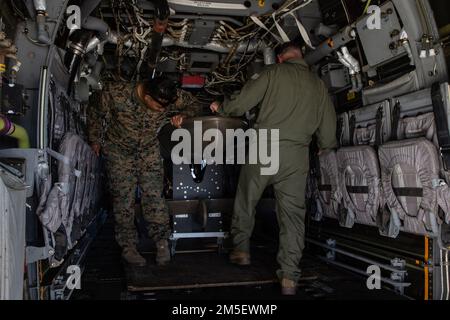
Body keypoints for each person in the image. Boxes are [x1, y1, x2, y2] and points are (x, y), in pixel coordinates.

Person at [210, 41, 337, 295]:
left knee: (247, 199)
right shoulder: (318, 85)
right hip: (297, 154)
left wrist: (221, 107)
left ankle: (241, 250)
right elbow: (328, 125)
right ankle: (289, 276)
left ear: (280, 58)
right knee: (292, 215)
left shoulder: (272, 73)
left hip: (266, 147)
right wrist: (325, 145)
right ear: (300, 55)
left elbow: (242, 102)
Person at [88, 76, 200, 267]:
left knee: (155, 195)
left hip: (148, 149)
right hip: (119, 150)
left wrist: (184, 115)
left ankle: (161, 242)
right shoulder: (116, 93)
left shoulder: (170, 95)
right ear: (147, 96)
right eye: (159, 106)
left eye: (167, 108)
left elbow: (194, 104)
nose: (163, 110)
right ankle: (128, 246)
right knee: (123, 198)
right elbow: (95, 112)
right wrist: (95, 139)